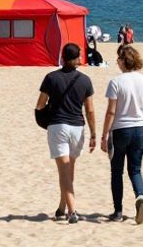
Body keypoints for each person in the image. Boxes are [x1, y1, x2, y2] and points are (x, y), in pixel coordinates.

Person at [35, 43, 96, 224]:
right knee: (69, 170)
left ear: (63, 57)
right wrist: (93, 133)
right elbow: (90, 110)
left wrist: (45, 112)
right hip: (77, 127)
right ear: (77, 58)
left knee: (63, 171)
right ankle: (62, 207)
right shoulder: (85, 80)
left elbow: (40, 104)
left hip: (58, 126)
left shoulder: (51, 78)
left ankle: (72, 211)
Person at [100, 44, 143, 223]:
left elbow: (111, 112)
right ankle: (140, 196)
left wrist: (104, 135)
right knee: (135, 169)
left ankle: (118, 212)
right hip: (140, 129)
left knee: (117, 171)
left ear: (124, 61)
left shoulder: (116, 82)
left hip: (120, 130)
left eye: (118, 59)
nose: (117, 62)